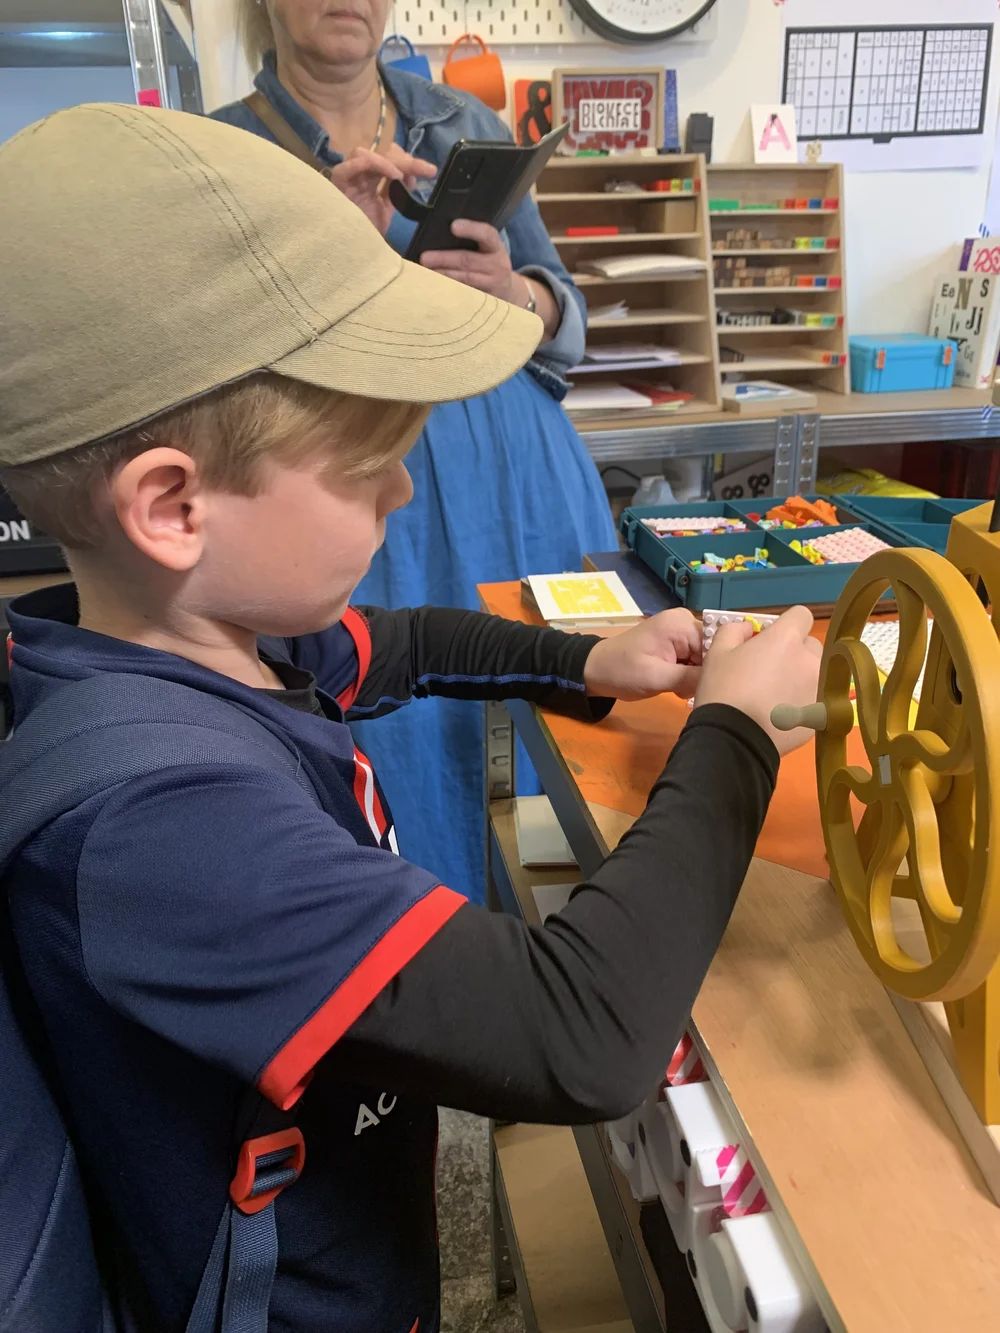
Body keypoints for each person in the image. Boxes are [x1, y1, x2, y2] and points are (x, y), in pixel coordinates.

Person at [0, 105, 821, 1333]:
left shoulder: (198, 639)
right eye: (364, 464)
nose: (401, 488)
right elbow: (580, 1031)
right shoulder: (159, 829)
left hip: (342, 1231)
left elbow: (413, 643)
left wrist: (590, 658)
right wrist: (735, 740)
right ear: (171, 507)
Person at [211, 0, 619, 896]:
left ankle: (571, 938)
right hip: (354, 490)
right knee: (395, 724)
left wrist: (516, 293)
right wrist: (327, 264)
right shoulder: (223, 154)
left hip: (518, 482)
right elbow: (208, 374)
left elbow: (566, 319)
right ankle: (428, 942)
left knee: (556, 715)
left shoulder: (468, 122)